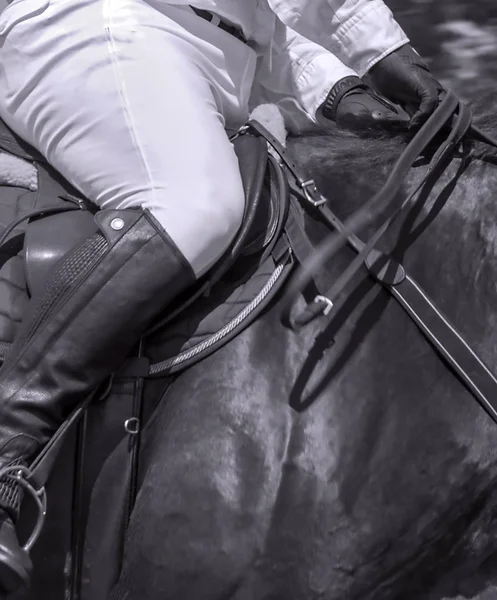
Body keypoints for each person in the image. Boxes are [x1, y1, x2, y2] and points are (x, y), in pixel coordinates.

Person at [0, 0, 443, 593]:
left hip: (225, 60)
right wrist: (381, 53)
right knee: (195, 206)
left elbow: (269, 25)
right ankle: (8, 447)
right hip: (106, 24)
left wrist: (344, 87)